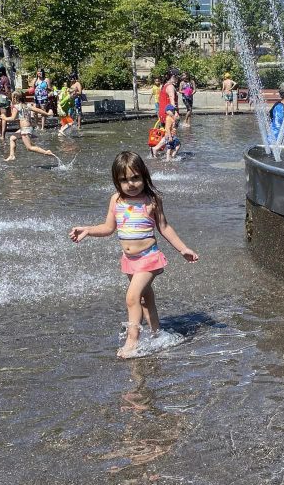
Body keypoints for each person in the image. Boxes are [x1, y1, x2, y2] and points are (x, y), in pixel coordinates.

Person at [69, 151, 198, 358]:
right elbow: (108, 227)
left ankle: (132, 341)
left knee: (132, 297)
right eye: (124, 180)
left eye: (135, 177)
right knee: (145, 300)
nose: (130, 184)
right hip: (130, 261)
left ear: (144, 175)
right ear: (116, 181)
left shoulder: (152, 200)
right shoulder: (116, 200)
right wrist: (88, 230)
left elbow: (164, 227)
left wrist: (183, 248)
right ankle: (157, 334)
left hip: (149, 258)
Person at [4, 91, 57, 162]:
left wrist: (4, 118)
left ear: (15, 98)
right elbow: (37, 110)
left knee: (29, 147)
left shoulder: (16, 107)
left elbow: (12, 118)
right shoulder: (27, 105)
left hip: (25, 129)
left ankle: (46, 152)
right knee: (12, 138)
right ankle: (12, 155)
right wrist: (47, 114)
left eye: (12, 97)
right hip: (27, 128)